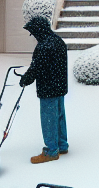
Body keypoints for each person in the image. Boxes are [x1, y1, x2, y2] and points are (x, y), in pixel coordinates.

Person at [20, 14, 69, 163]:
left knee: (48, 120)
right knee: (59, 116)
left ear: (39, 31)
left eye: (33, 33)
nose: (33, 36)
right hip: (59, 87)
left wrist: (26, 79)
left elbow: (37, 67)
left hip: (48, 89)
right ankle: (62, 145)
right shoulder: (58, 41)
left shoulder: (44, 46)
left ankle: (52, 151)